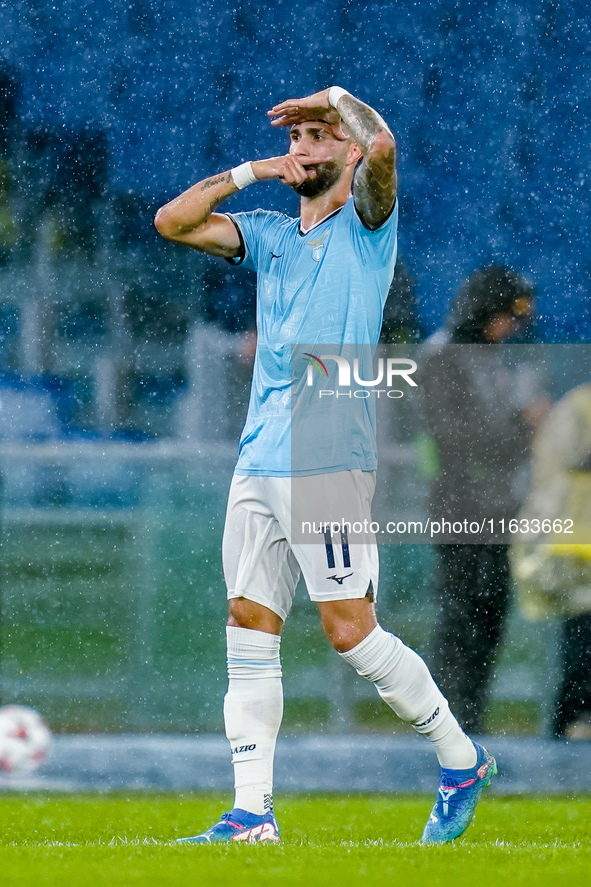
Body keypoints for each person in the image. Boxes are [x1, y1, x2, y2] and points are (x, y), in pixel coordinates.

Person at [154, 86, 496, 845]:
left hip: (325, 457)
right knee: (247, 623)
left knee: (350, 633)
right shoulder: (269, 233)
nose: (305, 147)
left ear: (344, 152)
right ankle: (251, 814)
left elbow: (383, 149)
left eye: (320, 137)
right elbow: (171, 222)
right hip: (258, 453)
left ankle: (458, 757)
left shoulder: (367, 227)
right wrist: (251, 170)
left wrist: (342, 101)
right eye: (299, 136)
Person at [419, 266, 546, 734]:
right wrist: (523, 428)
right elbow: (459, 439)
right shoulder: (441, 357)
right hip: (459, 506)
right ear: (483, 310)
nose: (511, 327)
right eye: (506, 315)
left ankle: (469, 720)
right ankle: (447, 724)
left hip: (496, 508)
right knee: (461, 614)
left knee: (490, 611)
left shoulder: (487, 357)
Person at [511, 381, 591, 740]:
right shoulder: (578, 406)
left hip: (576, 541)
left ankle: (571, 718)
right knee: (580, 638)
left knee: (580, 638)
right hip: (576, 546)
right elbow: (567, 459)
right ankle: (570, 719)